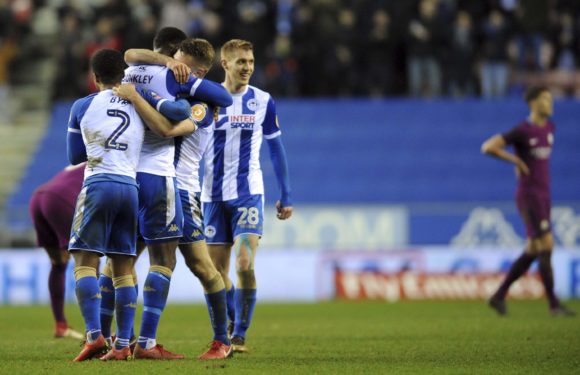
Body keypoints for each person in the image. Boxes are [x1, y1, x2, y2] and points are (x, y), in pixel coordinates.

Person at [111, 29, 233, 360]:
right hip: (151, 185)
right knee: (120, 264)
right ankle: (118, 340)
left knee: (201, 266)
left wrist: (140, 98)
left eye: (180, 68)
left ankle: (222, 341)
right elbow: (131, 55)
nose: (172, 72)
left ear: (198, 73)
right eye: (172, 64)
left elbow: (166, 129)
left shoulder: (201, 107)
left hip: (181, 190)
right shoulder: (171, 87)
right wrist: (164, 65)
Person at [202, 39, 293, 353]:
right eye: (241, 62)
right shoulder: (205, 98)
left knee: (244, 262)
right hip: (211, 196)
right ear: (224, 64)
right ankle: (227, 323)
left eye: (251, 62)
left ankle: (239, 332)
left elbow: (276, 148)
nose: (247, 68)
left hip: (248, 194)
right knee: (216, 274)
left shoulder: (263, 100)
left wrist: (287, 194)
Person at [66, 48, 145, 361]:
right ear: (122, 75)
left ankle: (95, 335)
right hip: (130, 187)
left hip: (99, 183)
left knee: (85, 262)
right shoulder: (140, 102)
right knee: (123, 269)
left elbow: (74, 157)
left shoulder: (82, 105)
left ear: (94, 77)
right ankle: (124, 344)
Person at [481, 87, 575, 317]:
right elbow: (488, 147)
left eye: (551, 98)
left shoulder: (550, 128)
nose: (550, 103)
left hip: (544, 195)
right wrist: (515, 161)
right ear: (533, 103)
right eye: (545, 99)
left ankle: (498, 296)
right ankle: (554, 305)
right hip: (530, 195)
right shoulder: (523, 130)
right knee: (547, 245)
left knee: (534, 249)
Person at [29, 163, 85, 340]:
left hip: (39, 197)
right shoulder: (110, 159)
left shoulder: (81, 160)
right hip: (60, 200)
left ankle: (61, 325)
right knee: (89, 260)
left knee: (59, 263)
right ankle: (97, 330)